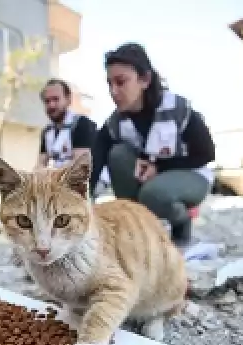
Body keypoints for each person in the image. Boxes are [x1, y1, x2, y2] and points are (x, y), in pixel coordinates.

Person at [89, 43, 216, 246]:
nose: (114, 91)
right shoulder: (114, 122)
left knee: (153, 194)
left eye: (121, 82)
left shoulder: (178, 108)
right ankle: (136, 228)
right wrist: (83, 200)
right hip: (149, 177)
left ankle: (181, 220)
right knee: (118, 154)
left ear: (145, 79)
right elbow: (95, 162)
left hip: (192, 174)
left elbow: (207, 154)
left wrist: (159, 166)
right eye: (109, 84)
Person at [36, 79, 97, 170]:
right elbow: (40, 164)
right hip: (60, 180)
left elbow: (81, 165)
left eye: (56, 99)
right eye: (47, 101)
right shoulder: (47, 131)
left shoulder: (81, 123)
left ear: (68, 99)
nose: (51, 105)